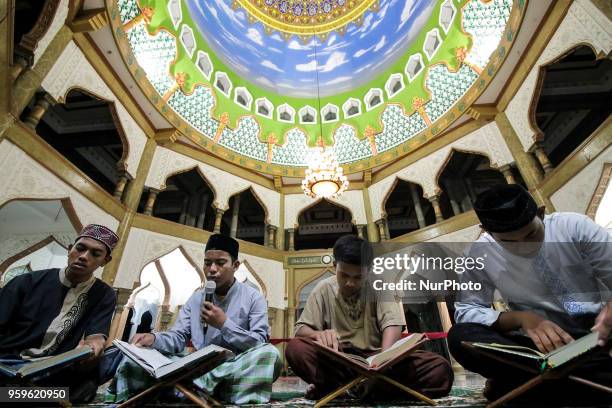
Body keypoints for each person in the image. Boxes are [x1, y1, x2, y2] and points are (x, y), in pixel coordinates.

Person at [448, 184, 612, 402]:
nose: (524, 247)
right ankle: (580, 379)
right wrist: (523, 319)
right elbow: (467, 310)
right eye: (508, 242)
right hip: (538, 347)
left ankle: (529, 384)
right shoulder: (480, 253)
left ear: (541, 213)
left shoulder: (574, 226)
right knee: (460, 336)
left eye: (531, 234)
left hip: (594, 335)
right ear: (487, 231)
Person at [105, 234, 281, 404]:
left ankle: (183, 388)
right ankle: (209, 388)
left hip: (234, 365)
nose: (212, 269)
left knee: (269, 354)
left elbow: (258, 343)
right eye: (207, 263)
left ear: (235, 265)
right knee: (138, 358)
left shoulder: (253, 297)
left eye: (220, 263)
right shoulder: (196, 298)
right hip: (197, 367)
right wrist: (154, 338)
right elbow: (178, 337)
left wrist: (224, 324)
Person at [285, 235, 454, 401]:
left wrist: (383, 363)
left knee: (440, 369)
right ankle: (375, 389)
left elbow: (392, 325)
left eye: (358, 277)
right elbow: (301, 329)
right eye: (344, 275)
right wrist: (317, 335)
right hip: (340, 360)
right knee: (296, 348)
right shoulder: (323, 288)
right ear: (335, 265)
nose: (350, 283)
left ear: (369, 269)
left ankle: (340, 388)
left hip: (378, 358)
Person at [0, 224, 119, 402]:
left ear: (105, 261)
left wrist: (94, 346)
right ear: (70, 249)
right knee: (16, 395)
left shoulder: (104, 294)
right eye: (80, 248)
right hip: (8, 365)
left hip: (54, 372)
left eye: (95, 254)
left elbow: (96, 336)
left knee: (103, 369)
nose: (84, 257)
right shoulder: (25, 282)